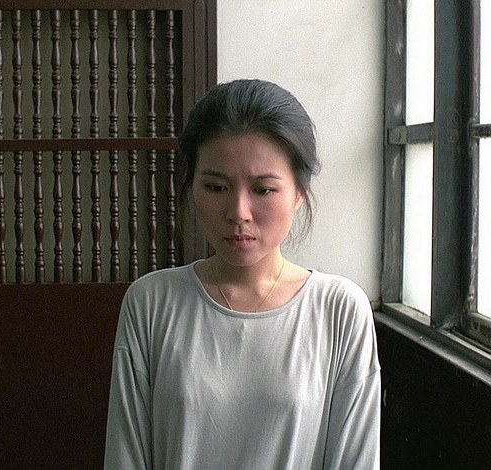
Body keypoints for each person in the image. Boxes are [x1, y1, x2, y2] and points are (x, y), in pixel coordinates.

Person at [104, 79, 381, 469]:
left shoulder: (339, 309)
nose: (238, 212)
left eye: (263, 190)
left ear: (299, 193)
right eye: (216, 187)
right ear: (192, 188)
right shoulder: (151, 302)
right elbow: (125, 456)